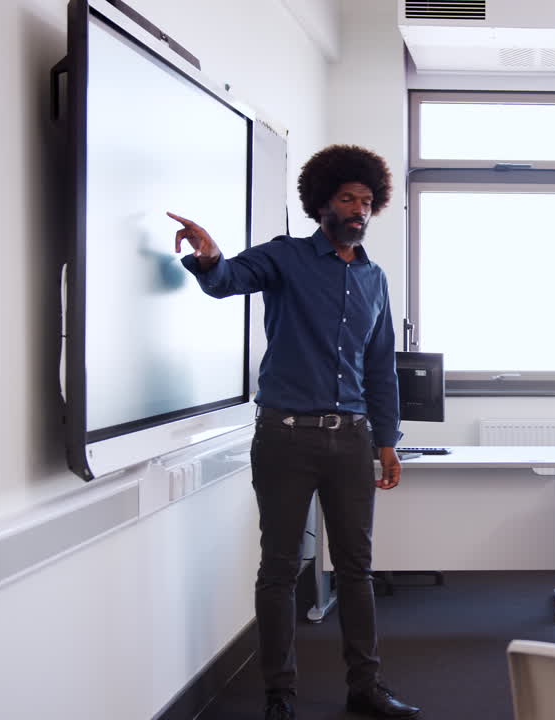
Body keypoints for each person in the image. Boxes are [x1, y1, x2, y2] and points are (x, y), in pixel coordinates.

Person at [170, 145, 419, 720]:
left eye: (366, 200)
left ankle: (366, 687)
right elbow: (228, 279)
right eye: (346, 199)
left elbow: (381, 367)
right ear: (323, 203)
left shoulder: (374, 280)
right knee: (280, 567)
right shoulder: (285, 258)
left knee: (356, 568)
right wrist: (210, 260)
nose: (358, 209)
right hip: (284, 439)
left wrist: (388, 441)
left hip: (352, 440)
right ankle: (279, 695)